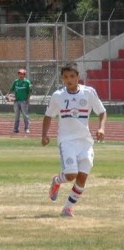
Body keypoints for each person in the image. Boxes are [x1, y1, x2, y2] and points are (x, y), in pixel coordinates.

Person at [41, 62, 107, 217]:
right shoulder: (58, 96)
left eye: (72, 76)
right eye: (65, 77)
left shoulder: (89, 93)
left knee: (82, 177)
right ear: (62, 79)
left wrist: (101, 128)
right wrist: (44, 135)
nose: (69, 79)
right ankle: (57, 180)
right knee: (71, 175)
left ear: (78, 77)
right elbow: (48, 115)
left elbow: (102, 112)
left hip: (85, 142)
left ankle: (67, 208)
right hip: (67, 141)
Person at [5, 68, 32, 134]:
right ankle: (16, 129)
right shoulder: (16, 82)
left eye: (22, 74)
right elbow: (12, 89)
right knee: (17, 115)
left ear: (24, 74)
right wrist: (7, 95)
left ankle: (27, 128)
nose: (20, 75)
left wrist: (28, 99)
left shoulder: (27, 82)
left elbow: (30, 92)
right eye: (19, 73)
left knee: (25, 115)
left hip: (23, 101)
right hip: (16, 101)